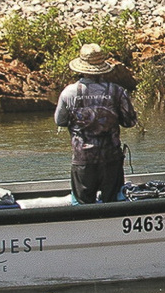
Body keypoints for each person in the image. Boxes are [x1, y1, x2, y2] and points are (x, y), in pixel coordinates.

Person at [55, 44, 138, 204]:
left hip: (83, 159)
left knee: (82, 205)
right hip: (111, 159)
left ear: (81, 68)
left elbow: (60, 121)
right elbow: (130, 122)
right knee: (113, 203)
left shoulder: (68, 92)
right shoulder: (117, 91)